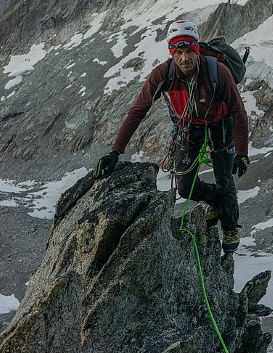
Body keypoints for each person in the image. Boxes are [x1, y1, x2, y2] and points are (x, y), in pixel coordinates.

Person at [93, 19, 250, 253]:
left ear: (197, 51)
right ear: (171, 53)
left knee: (224, 177)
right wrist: (115, 151)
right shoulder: (163, 75)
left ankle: (229, 226)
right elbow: (138, 111)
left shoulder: (218, 72)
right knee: (185, 187)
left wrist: (242, 154)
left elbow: (238, 112)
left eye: (189, 51)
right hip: (188, 128)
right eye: (178, 52)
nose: (184, 58)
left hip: (220, 123)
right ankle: (217, 200)